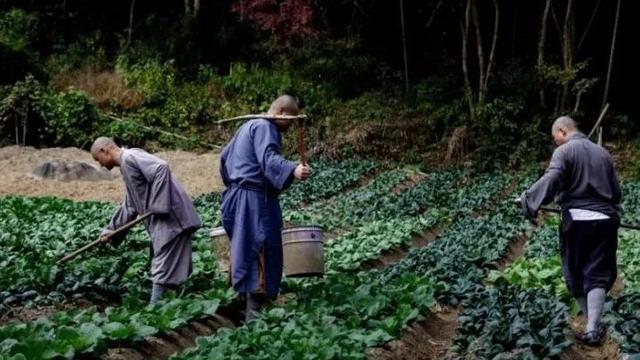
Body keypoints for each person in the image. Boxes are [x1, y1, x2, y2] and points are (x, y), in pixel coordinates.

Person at [517, 116, 621, 346]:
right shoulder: (603, 154)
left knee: (575, 273)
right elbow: (616, 191)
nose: (556, 144)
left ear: (563, 131)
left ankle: (592, 325)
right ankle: (594, 326)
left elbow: (553, 177)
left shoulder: (565, 152)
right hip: (606, 220)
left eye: (556, 139)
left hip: (578, 220)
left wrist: (528, 199)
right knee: (598, 272)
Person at [220, 95, 311, 321]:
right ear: (280, 111)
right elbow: (269, 159)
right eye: (291, 119)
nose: (291, 125)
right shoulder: (265, 127)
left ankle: (243, 309)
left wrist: (235, 183)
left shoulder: (248, 126)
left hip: (238, 196)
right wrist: (293, 170)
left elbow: (223, 158)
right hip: (254, 201)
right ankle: (253, 315)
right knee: (261, 248)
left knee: (245, 247)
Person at [91, 137, 202, 303]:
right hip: (167, 223)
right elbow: (130, 205)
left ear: (104, 151)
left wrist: (159, 204)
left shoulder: (130, 157)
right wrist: (111, 231)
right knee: (171, 269)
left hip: (172, 221)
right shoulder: (126, 165)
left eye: (98, 159)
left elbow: (161, 168)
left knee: (162, 268)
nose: (100, 165)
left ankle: (153, 313)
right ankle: (178, 307)